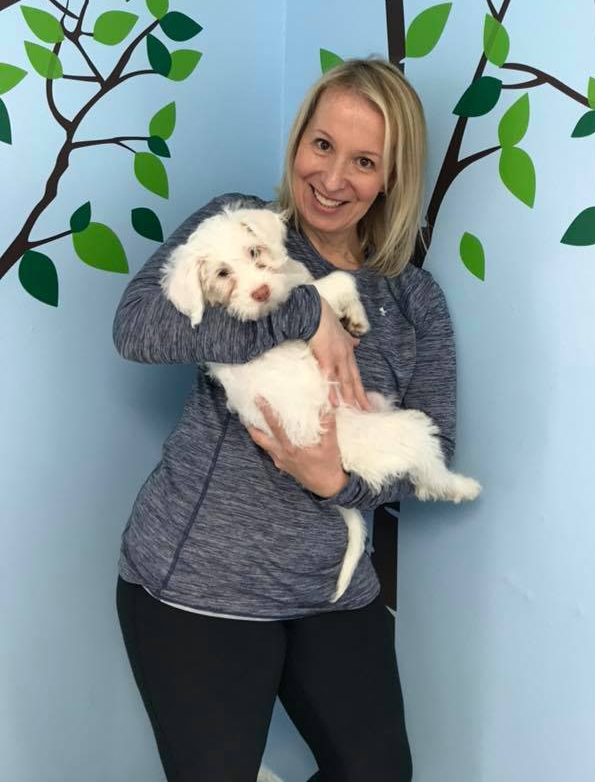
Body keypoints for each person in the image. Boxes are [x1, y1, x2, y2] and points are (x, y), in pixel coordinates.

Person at [113, 58, 457, 782]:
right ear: (298, 140)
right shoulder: (242, 228)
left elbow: (434, 444)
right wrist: (303, 311)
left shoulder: (415, 299)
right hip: (198, 587)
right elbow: (138, 328)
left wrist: (333, 480)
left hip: (333, 591)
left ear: (391, 178)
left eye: (365, 162)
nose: (334, 179)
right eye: (322, 146)